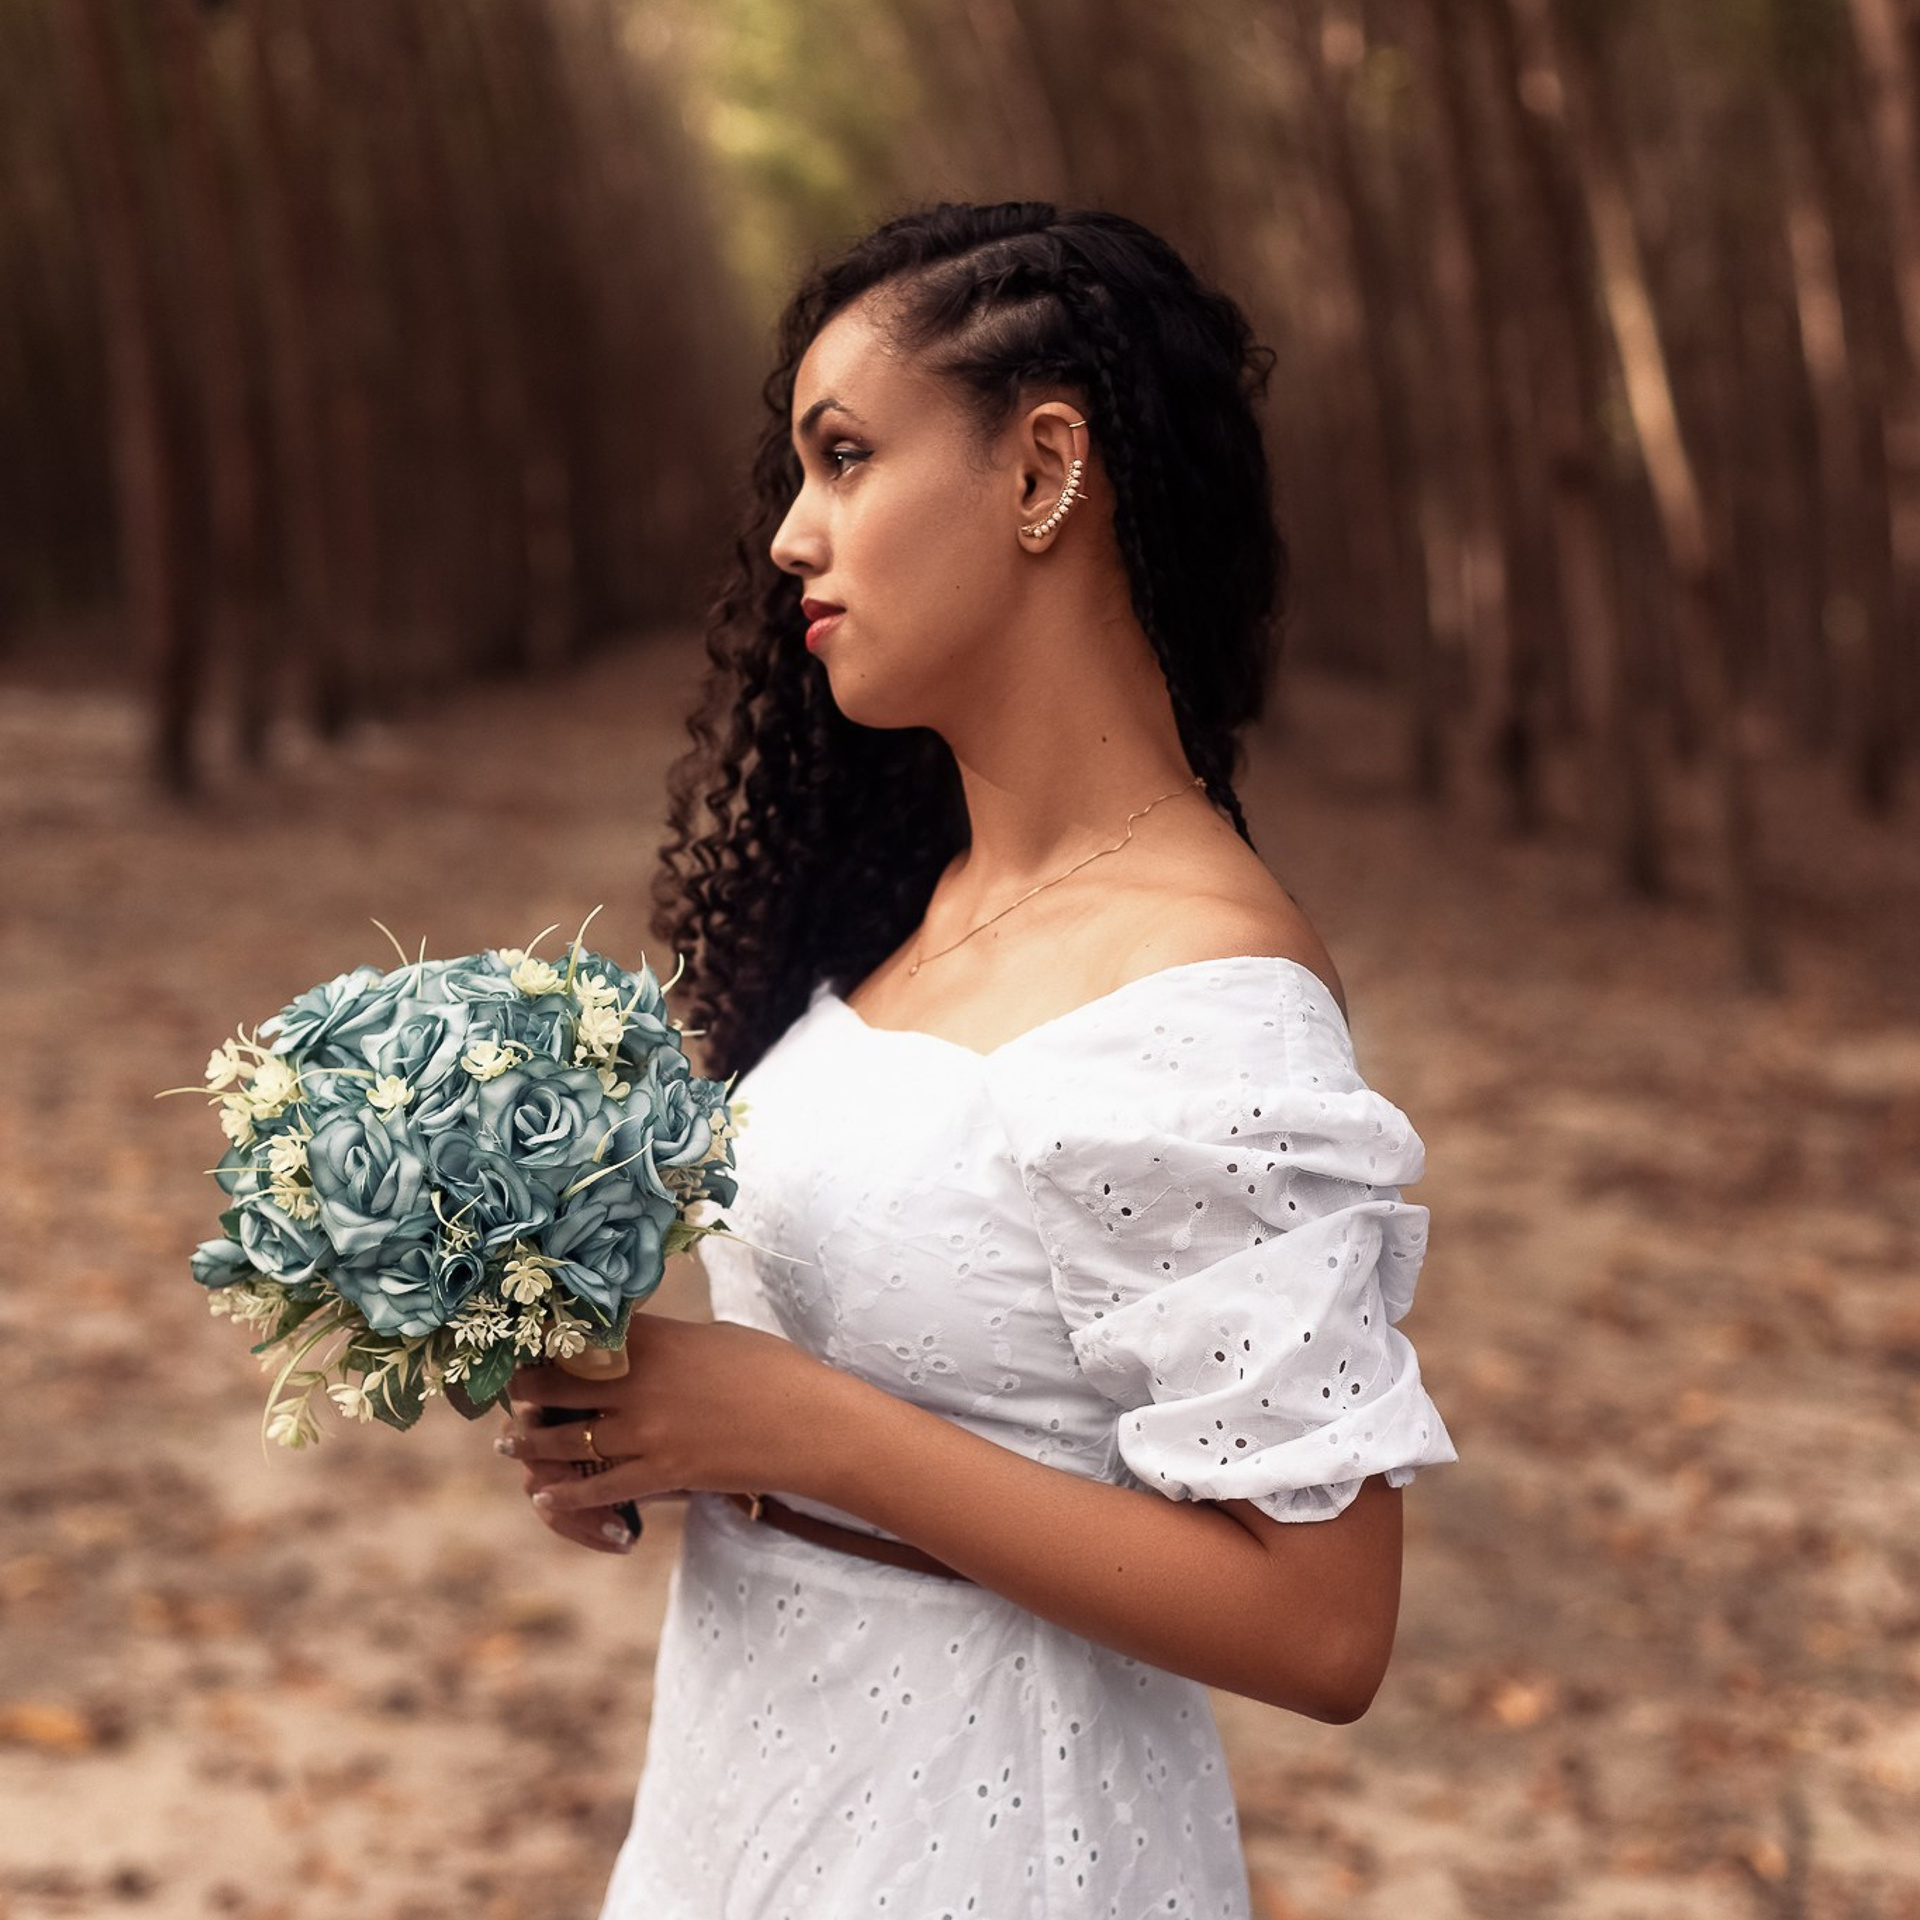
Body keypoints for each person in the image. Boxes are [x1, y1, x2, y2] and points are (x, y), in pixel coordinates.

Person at [498, 200, 1457, 1918]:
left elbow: (1323, 1626)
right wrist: (659, 1432)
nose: (791, 533)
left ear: (1042, 470)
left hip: (995, 1837)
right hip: (744, 1794)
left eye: (846, 456)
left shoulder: (1203, 991)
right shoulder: (921, 900)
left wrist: (803, 1429)